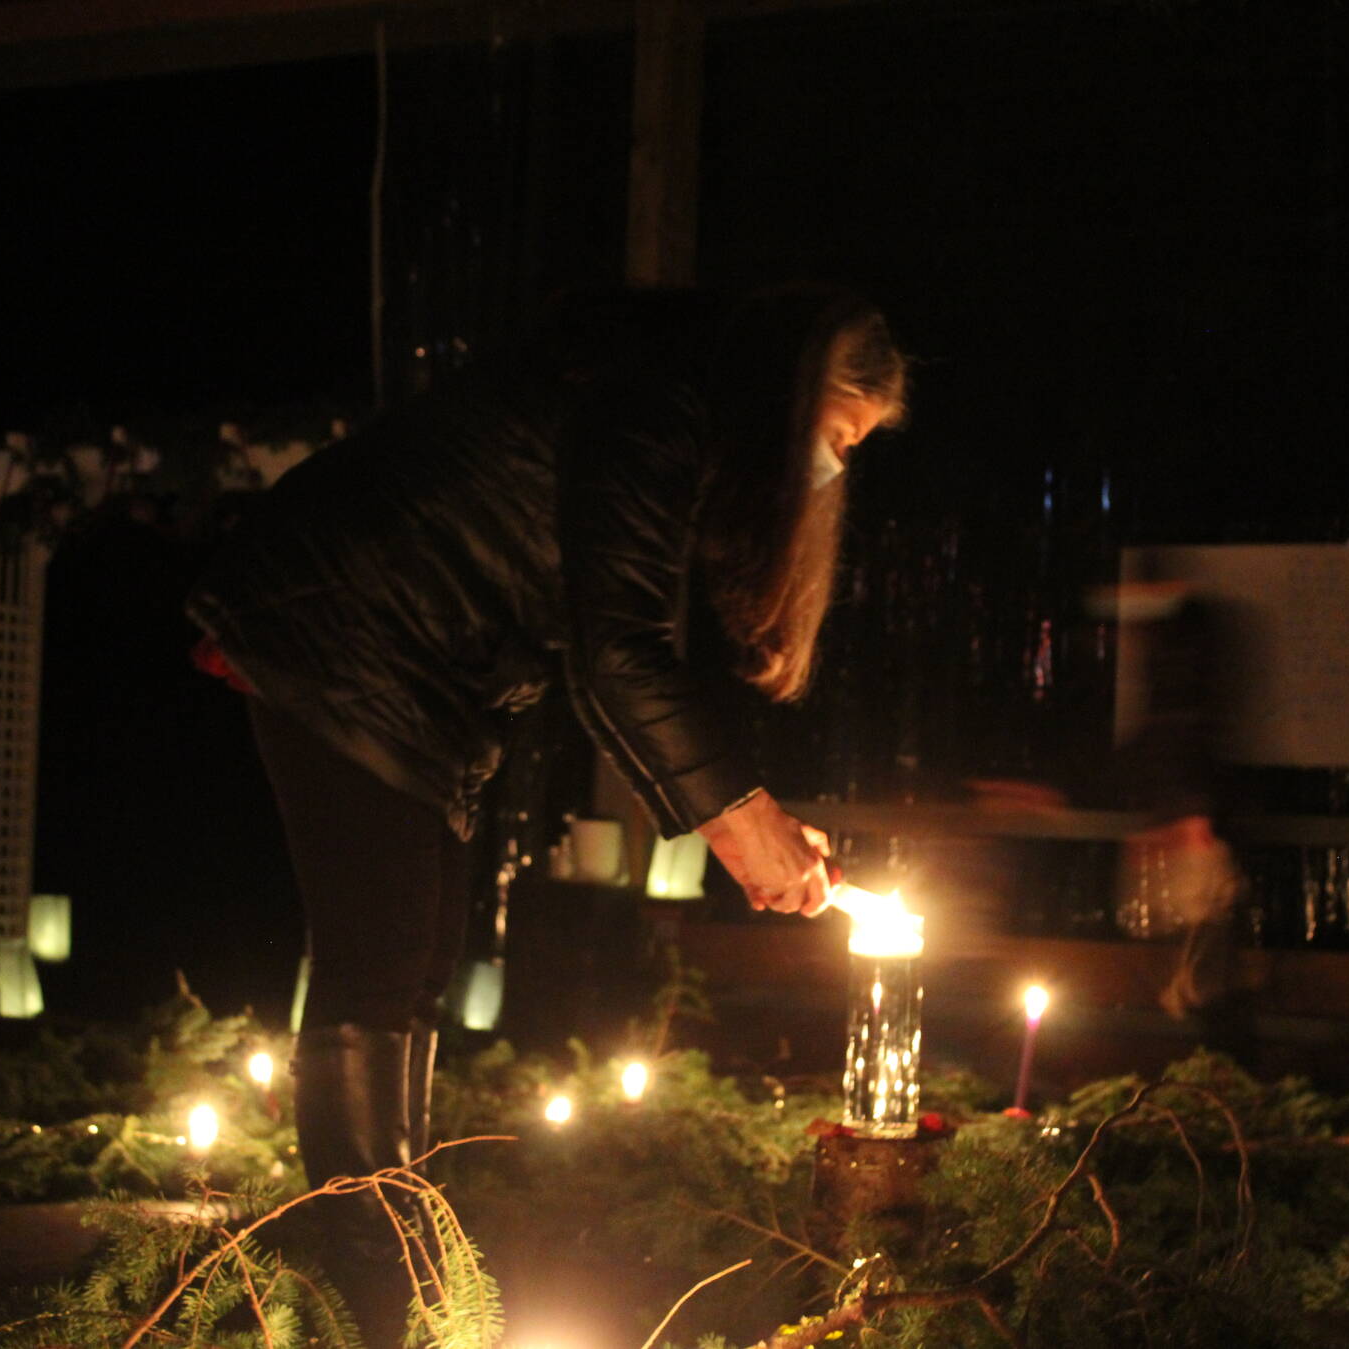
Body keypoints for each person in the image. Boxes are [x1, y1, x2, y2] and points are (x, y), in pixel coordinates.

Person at [184, 285, 907, 1333]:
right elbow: (616, 652)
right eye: (836, 439)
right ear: (790, 396)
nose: (832, 470)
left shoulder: (679, 410)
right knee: (378, 967)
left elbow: (617, 638)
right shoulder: (660, 403)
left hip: (417, 668)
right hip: (346, 624)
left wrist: (744, 811)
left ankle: (406, 1276)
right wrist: (737, 817)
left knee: (414, 963)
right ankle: (380, 1295)